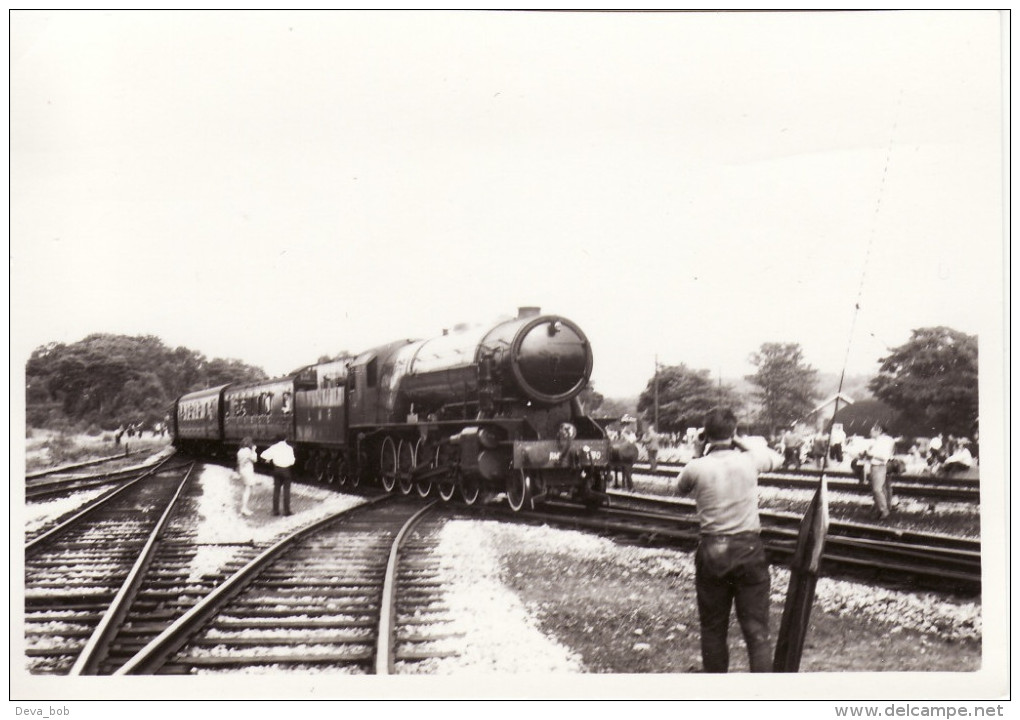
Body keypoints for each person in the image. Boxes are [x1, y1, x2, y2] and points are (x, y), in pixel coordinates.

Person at [677, 407, 783, 673]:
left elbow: (680, 487)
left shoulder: (696, 467)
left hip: (713, 550)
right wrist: (740, 442)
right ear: (734, 432)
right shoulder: (749, 461)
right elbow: (777, 458)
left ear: (705, 434)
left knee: (713, 628)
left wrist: (698, 452)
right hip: (748, 548)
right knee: (757, 630)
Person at [864, 423, 896, 520]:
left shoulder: (881, 441)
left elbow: (882, 456)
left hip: (878, 466)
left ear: (879, 431)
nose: (870, 433)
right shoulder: (888, 440)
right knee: (885, 488)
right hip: (886, 465)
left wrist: (869, 454)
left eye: (872, 431)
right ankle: (883, 509)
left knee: (877, 489)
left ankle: (883, 510)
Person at [261, 433, 296, 516]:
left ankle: (275, 511)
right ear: (285, 439)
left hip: (277, 470)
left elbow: (263, 455)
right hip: (286, 470)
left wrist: (269, 459)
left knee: (276, 490)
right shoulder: (289, 448)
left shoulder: (274, 447)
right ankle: (286, 511)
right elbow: (292, 461)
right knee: (286, 490)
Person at [236, 436, 258, 517]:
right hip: (248, 471)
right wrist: (254, 450)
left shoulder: (239, 451)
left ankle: (244, 508)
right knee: (247, 490)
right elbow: (255, 459)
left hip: (242, 471)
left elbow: (239, 462)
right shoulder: (248, 451)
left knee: (245, 489)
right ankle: (244, 508)